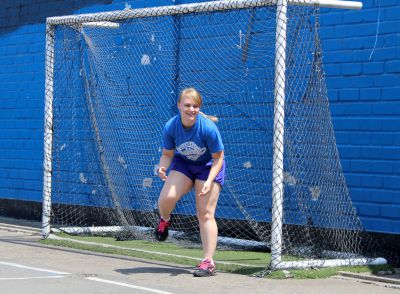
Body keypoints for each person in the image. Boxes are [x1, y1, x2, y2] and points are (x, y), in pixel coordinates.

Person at [155, 87, 225, 277]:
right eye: (187, 105)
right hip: (184, 164)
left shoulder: (208, 128)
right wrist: (162, 167)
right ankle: (165, 220)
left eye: (195, 106)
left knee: (205, 213)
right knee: (165, 199)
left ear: (199, 107)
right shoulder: (171, 126)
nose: (191, 109)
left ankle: (208, 262)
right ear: (179, 106)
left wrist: (210, 181)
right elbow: (167, 154)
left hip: (208, 167)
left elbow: (218, 158)